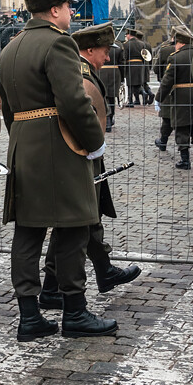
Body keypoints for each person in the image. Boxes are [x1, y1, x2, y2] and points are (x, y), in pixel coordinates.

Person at [0, 0, 116, 341]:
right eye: (67, 6)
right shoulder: (58, 44)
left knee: (28, 232)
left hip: (23, 145)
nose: (70, 13)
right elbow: (74, 102)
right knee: (74, 228)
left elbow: (7, 110)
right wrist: (94, 142)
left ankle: (29, 316)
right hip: (60, 148)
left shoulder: (9, 49)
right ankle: (75, 311)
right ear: (54, 10)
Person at [38, 22, 141, 309]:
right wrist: (94, 147)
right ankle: (56, 286)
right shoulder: (81, 73)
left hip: (84, 152)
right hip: (79, 154)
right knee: (76, 222)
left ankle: (99, 271)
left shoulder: (84, 70)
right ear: (90, 49)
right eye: (105, 52)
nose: (107, 58)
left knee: (87, 218)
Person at [155, 29, 193, 169]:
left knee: (181, 127)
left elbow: (167, 81)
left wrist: (159, 98)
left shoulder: (175, 57)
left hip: (181, 97)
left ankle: (185, 160)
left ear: (180, 43)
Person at [150, 33, 175, 151]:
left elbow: (156, 68)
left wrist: (161, 79)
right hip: (190, 90)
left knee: (167, 117)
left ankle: (163, 141)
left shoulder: (165, 50)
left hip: (169, 88)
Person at [97, 39, 123, 132]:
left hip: (101, 72)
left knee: (105, 97)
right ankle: (110, 118)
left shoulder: (99, 46)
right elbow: (122, 63)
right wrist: (122, 77)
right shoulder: (119, 47)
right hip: (114, 72)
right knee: (112, 97)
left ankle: (107, 119)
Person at [122, 29, 150, 105]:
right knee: (138, 83)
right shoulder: (142, 44)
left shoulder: (126, 44)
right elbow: (144, 56)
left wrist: (124, 67)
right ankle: (143, 93)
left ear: (129, 35)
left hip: (130, 65)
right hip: (140, 65)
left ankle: (130, 101)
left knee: (130, 83)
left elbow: (125, 57)